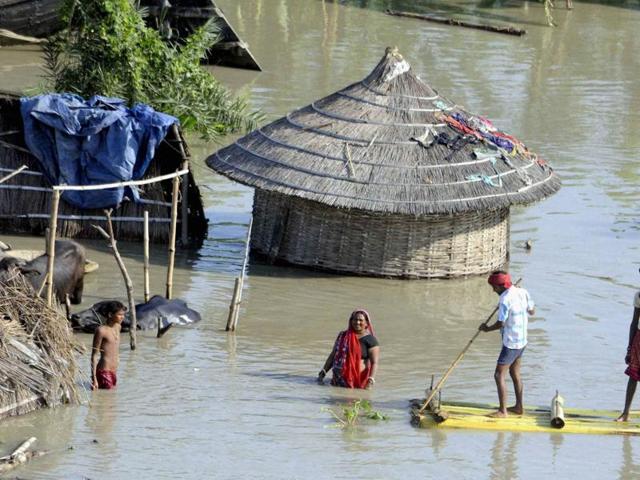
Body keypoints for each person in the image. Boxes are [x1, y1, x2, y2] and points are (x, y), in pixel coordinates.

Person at [480, 271, 535, 418]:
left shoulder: (504, 299)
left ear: (501, 286)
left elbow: (500, 323)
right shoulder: (522, 292)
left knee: (499, 375)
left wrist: (486, 329)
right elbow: (532, 311)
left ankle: (503, 411)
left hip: (511, 343)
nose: (493, 290)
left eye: (494, 287)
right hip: (522, 340)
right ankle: (518, 407)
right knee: (515, 373)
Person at [317, 309, 379, 389]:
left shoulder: (370, 340)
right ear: (351, 321)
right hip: (337, 380)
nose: (357, 322)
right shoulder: (342, 335)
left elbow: (374, 363)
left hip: (358, 382)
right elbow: (333, 355)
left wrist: (371, 380)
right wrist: (323, 372)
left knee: (355, 401)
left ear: (366, 322)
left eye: (361, 320)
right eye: (355, 319)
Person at [91, 300, 126, 390]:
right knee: (108, 398)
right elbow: (94, 355)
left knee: (111, 399)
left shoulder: (118, 327)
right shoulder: (101, 331)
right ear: (110, 315)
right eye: (119, 315)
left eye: (123, 315)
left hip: (114, 371)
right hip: (104, 372)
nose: (122, 317)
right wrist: (94, 378)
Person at [616, 291, 640, 422]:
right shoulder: (638, 296)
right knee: (633, 376)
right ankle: (625, 413)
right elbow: (634, 323)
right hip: (639, 340)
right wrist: (629, 348)